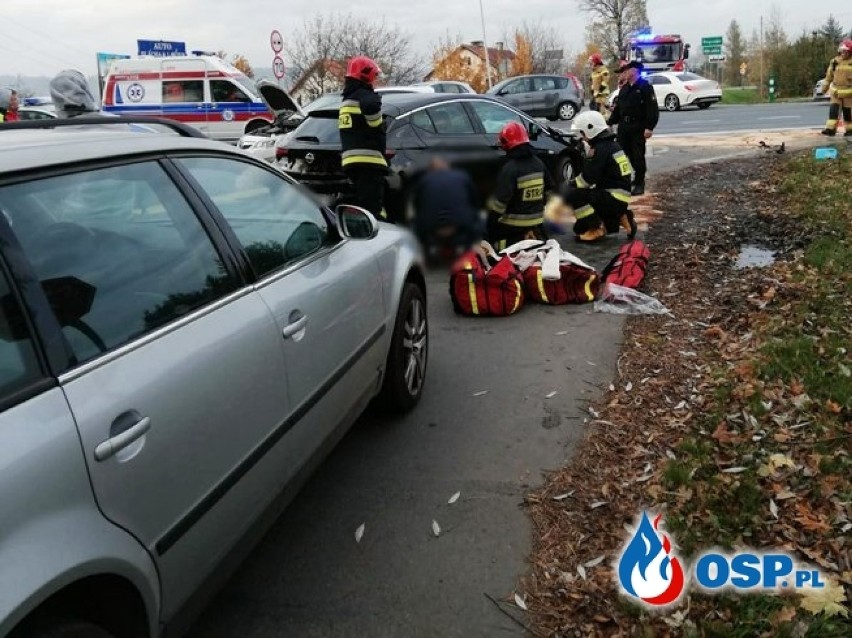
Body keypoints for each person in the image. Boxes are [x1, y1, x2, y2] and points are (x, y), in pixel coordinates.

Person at [558, 110, 637, 243]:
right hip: (619, 198)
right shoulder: (613, 145)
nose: (582, 137)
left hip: (612, 198)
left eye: (582, 133)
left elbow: (587, 179)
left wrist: (569, 185)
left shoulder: (599, 149)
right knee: (579, 228)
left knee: (574, 195)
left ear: (590, 129)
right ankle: (622, 217)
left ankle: (595, 228)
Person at [486, 121, 551, 250]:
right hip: (537, 220)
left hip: (514, 224)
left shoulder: (510, 168)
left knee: (489, 232)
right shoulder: (539, 163)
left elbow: (501, 203)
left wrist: (490, 221)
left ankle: (503, 248)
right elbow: (548, 189)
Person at [339, 55, 388, 219]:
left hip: (350, 162)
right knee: (373, 209)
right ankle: (378, 234)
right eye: (374, 76)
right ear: (366, 75)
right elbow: (374, 121)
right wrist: (380, 122)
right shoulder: (366, 96)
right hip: (370, 162)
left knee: (361, 205)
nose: (375, 81)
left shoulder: (347, 99)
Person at [412, 157, 483, 256]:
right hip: (461, 223)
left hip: (431, 225)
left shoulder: (424, 180)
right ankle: (468, 254)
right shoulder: (462, 176)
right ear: (447, 166)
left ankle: (426, 256)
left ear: (430, 169)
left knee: (414, 226)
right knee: (478, 220)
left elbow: (417, 204)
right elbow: (474, 200)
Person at [607, 60, 658, 196]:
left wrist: (649, 127)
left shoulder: (645, 87)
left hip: (638, 127)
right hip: (624, 127)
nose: (625, 72)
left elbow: (652, 109)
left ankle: (640, 182)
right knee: (622, 155)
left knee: (637, 156)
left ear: (635, 71)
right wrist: (610, 122)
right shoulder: (625, 88)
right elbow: (618, 109)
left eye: (627, 70)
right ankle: (625, 181)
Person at [821, 39, 852, 137]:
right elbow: (829, 76)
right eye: (842, 51)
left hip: (849, 93)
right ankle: (830, 129)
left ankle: (850, 130)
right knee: (833, 111)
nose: (843, 53)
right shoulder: (834, 62)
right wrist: (824, 88)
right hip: (835, 92)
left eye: (846, 51)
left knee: (848, 113)